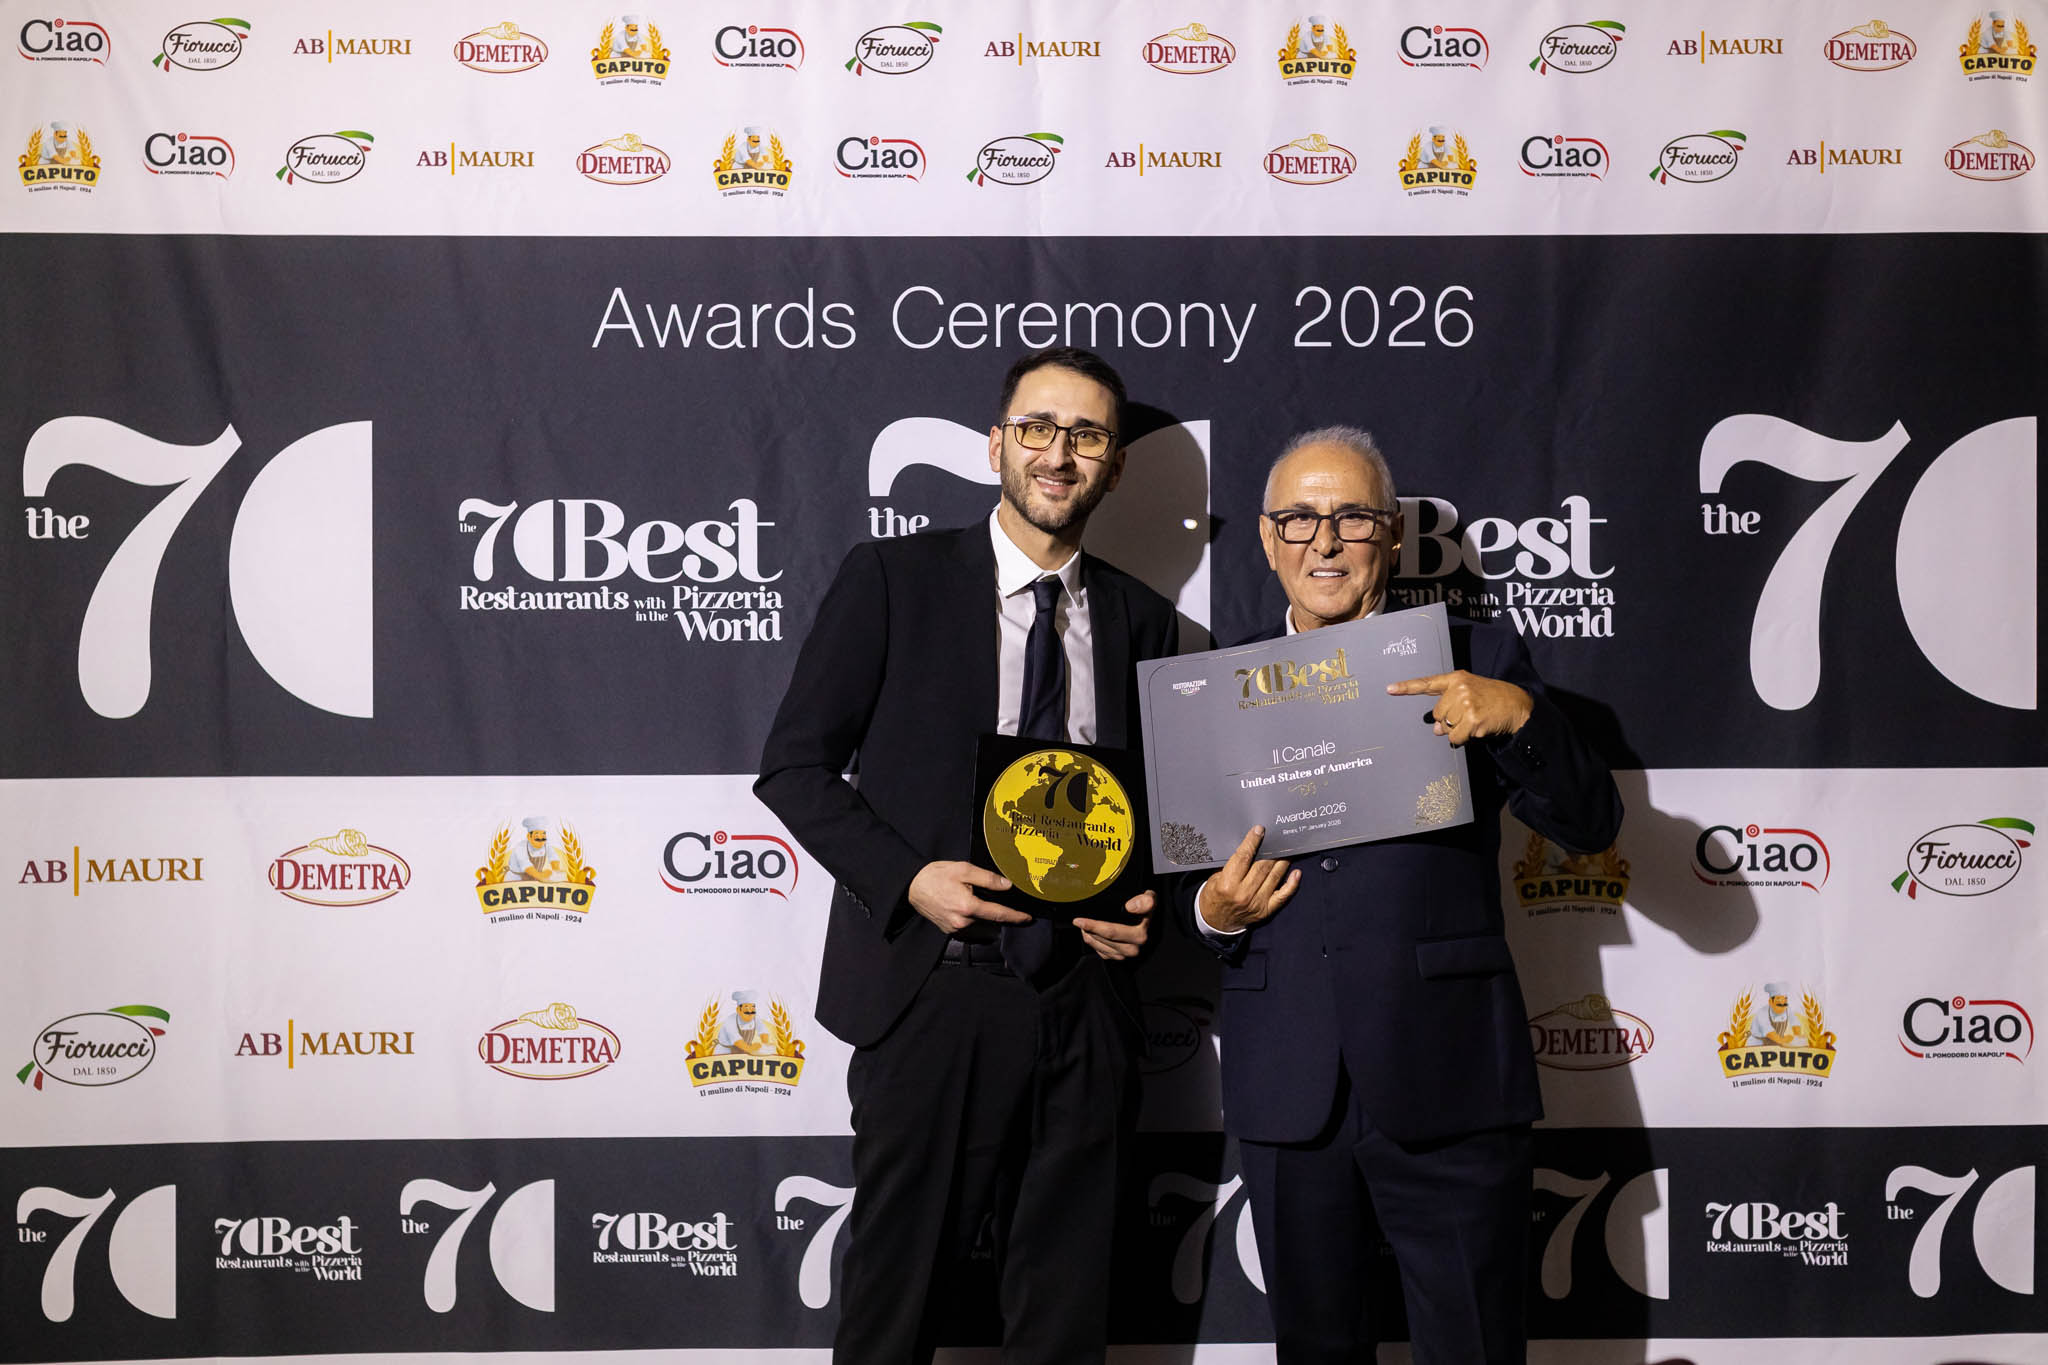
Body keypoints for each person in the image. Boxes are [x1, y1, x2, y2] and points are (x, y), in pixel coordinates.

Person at [756, 347, 1177, 1364]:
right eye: (1037, 428)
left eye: (1084, 437)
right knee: (895, 1303)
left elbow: (1163, 820)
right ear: (996, 446)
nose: (1058, 455)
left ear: (1112, 467)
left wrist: (1147, 904)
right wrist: (907, 877)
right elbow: (794, 770)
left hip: (1082, 1007)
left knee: (1065, 1312)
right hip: (931, 992)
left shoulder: (1144, 622)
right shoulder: (892, 580)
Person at [1183, 427, 1621, 1364]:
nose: (1325, 540)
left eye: (1351, 516)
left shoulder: (1479, 654)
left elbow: (1592, 822)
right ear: (1267, 539)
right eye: (1300, 518)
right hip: (1289, 1088)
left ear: (1390, 537)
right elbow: (1184, 884)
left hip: (1450, 1077)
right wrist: (1211, 914)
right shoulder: (1216, 689)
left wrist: (1521, 717)